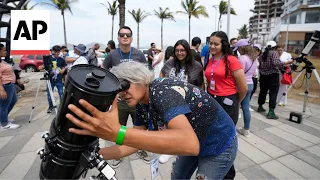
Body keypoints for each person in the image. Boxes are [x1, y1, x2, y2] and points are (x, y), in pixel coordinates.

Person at [66, 61, 238, 180]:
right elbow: (135, 142)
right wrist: (93, 156)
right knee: (177, 176)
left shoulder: (162, 92)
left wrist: (118, 132)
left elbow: (188, 143)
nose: (122, 93)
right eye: (118, 90)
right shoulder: (142, 102)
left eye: (125, 85)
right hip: (197, 140)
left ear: (142, 79)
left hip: (218, 144)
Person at [102, 26, 147, 168]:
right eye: (122, 35)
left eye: (128, 35)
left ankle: (141, 149)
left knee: (140, 127)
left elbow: (146, 74)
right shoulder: (112, 55)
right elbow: (104, 73)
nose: (125, 37)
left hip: (137, 100)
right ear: (118, 37)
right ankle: (119, 152)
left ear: (131, 38)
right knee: (120, 128)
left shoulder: (139, 54)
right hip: (120, 100)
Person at [204, 31, 247, 180]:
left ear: (223, 45)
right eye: (211, 43)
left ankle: (228, 174)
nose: (213, 46)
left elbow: (243, 88)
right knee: (213, 137)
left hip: (228, 102)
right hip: (212, 99)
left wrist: (236, 103)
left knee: (226, 139)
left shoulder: (231, 60)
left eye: (216, 44)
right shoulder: (210, 59)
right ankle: (217, 167)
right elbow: (209, 80)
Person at [158, 40, 204, 163]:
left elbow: (200, 86)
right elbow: (161, 77)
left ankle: (184, 147)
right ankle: (169, 149)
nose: (179, 53)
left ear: (187, 51)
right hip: (171, 101)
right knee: (171, 125)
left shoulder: (196, 66)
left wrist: (199, 102)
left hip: (188, 101)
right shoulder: (169, 63)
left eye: (182, 50)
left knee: (186, 126)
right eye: (177, 50)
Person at [257, 41, 292, 119]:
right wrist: (286, 63)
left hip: (263, 76)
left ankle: (260, 106)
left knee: (263, 92)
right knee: (273, 94)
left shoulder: (262, 54)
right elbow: (277, 63)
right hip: (273, 76)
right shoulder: (274, 53)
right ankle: (271, 112)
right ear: (275, 47)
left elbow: (259, 64)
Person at [233, 39, 257, 138]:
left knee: (235, 107)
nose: (237, 51)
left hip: (241, 85)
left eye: (238, 48)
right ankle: (246, 129)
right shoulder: (254, 58)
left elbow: (239, 73)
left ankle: (232, 129)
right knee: (246, 107)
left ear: (241, 48)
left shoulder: (242, 58)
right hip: (250, 84)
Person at [40, 45, 67, 113]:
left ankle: (62, 107)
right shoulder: (49, 59)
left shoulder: (61, 59)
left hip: (59, 79)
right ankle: (50, 107)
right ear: (52, 51)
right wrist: (41, 67)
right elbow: (44, 66)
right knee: (49, 94)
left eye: (58, 52)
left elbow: (64, 67)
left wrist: (63, 70)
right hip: (50, 80)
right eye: (55, 52)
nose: (57, 53)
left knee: (61, 93)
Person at [0, 44, 20, 129]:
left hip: (10, 84)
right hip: (5, 85)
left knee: (13, 101)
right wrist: (1, 90)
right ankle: (4, 124)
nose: (6, 52)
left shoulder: (2, 61)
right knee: (4, 105)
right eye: (4, 50)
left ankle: (3, 118)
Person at [249, 44, 262, 111]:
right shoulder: (249, 57)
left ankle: (247, 103)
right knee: (249, 91)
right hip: (250, 77)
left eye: (258, 50)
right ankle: (246, 104)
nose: (256, 52)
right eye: (255, 50)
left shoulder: (258, 58)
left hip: (256, 77)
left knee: (253, 90)